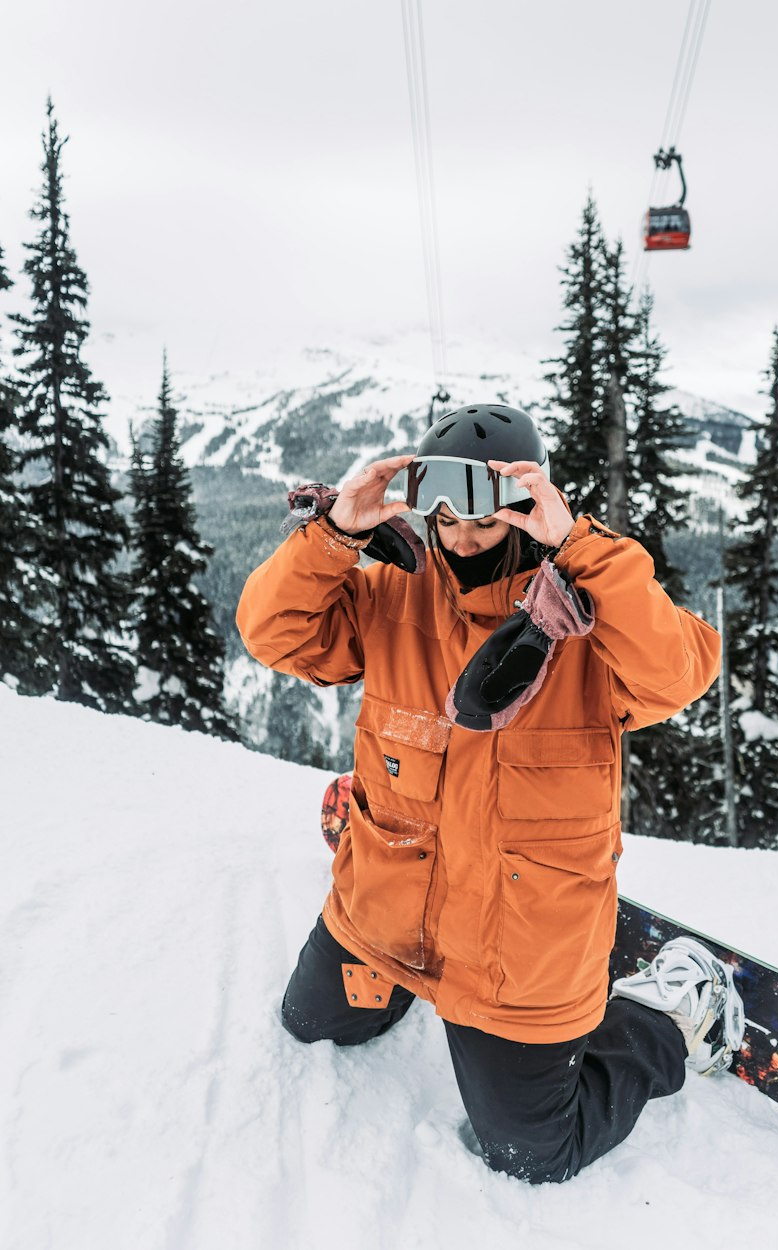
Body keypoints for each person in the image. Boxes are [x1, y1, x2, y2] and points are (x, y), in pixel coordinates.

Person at [236, 403, 742, 1184]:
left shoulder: (586, 614)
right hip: (388, 912)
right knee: (308, 1025)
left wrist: (576, 544)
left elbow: (677, 675)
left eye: (482, 521)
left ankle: (673, 1012)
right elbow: (273, 631)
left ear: (520, 510)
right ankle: (361, 823)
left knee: (534, 1155)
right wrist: (335, 532)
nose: (462, 539)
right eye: (443, 518)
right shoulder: (391, 596)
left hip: (519, 950)